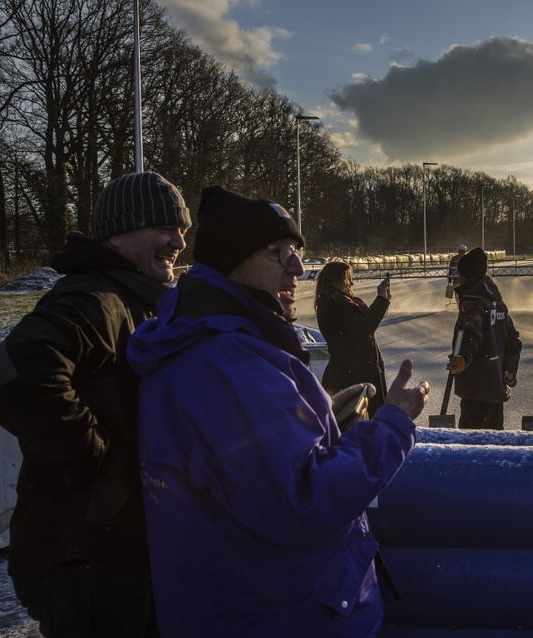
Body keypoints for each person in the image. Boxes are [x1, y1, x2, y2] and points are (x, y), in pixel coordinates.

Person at [127, 185, 429, 637]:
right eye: (277, 252)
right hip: (282, 613)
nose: (298, 267)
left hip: (246, 603)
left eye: (296, 251)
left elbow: (250, 472)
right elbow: (304, 500)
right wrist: (394, 425)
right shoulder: (229, 362)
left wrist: (324, 416)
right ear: (232, 264)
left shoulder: (213, 345)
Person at [0, 172, 191, 637]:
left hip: (114, 552)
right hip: (89, 558)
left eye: (182, 230)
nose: (178, 240)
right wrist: (88, 456)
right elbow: (14, 372)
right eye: (164, 228)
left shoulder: (131, 296)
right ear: (120, 232)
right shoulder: (96, 297)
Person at [446, 246, 522, 429]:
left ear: (467, 277)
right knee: (493, 449)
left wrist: (463, 359)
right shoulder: (496, 302)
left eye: (459, 274)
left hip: (477, 390)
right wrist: (509, 371)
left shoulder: (473, 303)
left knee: (472, 449)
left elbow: (470, 335)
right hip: (496, 388)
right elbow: (513, 341)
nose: (456, 279)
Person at [315, 261, 392, 412]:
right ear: (335, 280)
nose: (351, 282)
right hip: (350, 376)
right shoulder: (333, 306)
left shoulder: (344, 302)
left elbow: (365, 323)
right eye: (347, 278)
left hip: (356, 372)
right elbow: (364, 329)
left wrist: (383, 300)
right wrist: (381, 300)